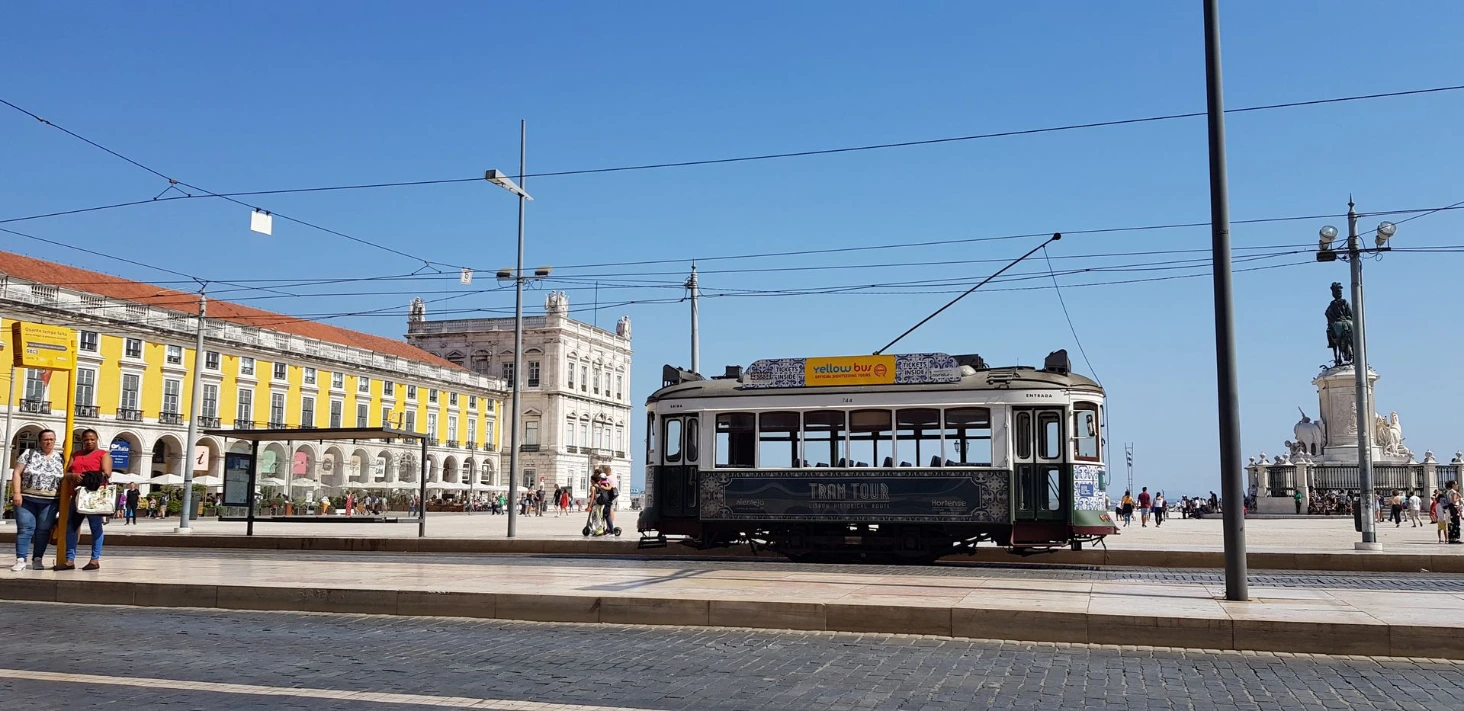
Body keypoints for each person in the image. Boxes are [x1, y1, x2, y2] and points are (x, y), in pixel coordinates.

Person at [10, 429, 64, 571]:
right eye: (45, 439)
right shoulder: (29, 454)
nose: (48, 442)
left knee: (43, 531)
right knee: (25, 529)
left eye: (51, 439)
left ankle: (37, 559)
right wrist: (16, 493)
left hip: (50, 501)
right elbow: (16, 473)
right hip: (27, 499)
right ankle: (21, 559)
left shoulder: (60, 457)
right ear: (40, 441)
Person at [60, 428, 112, 571]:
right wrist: (72, 476)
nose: (89, 442)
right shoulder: (76, 454)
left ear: (96, 440)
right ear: (82, 441)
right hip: (77, 495)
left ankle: (95, 559)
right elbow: (67, 472)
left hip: (94, 495)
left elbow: (107, 473)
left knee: (95, 527)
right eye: (86, 439)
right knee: (72, 526)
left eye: (92, 439)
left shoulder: (103, 454)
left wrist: (84, 477)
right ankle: (70, 559)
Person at [594, 465, 619, 533]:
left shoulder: (607, 478)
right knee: (612, 509)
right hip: (615, 494)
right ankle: (610, 525)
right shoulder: (614, 476)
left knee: (608, 510)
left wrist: (600, 486)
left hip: (609, 495)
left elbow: (607, 486)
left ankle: (609, 527)